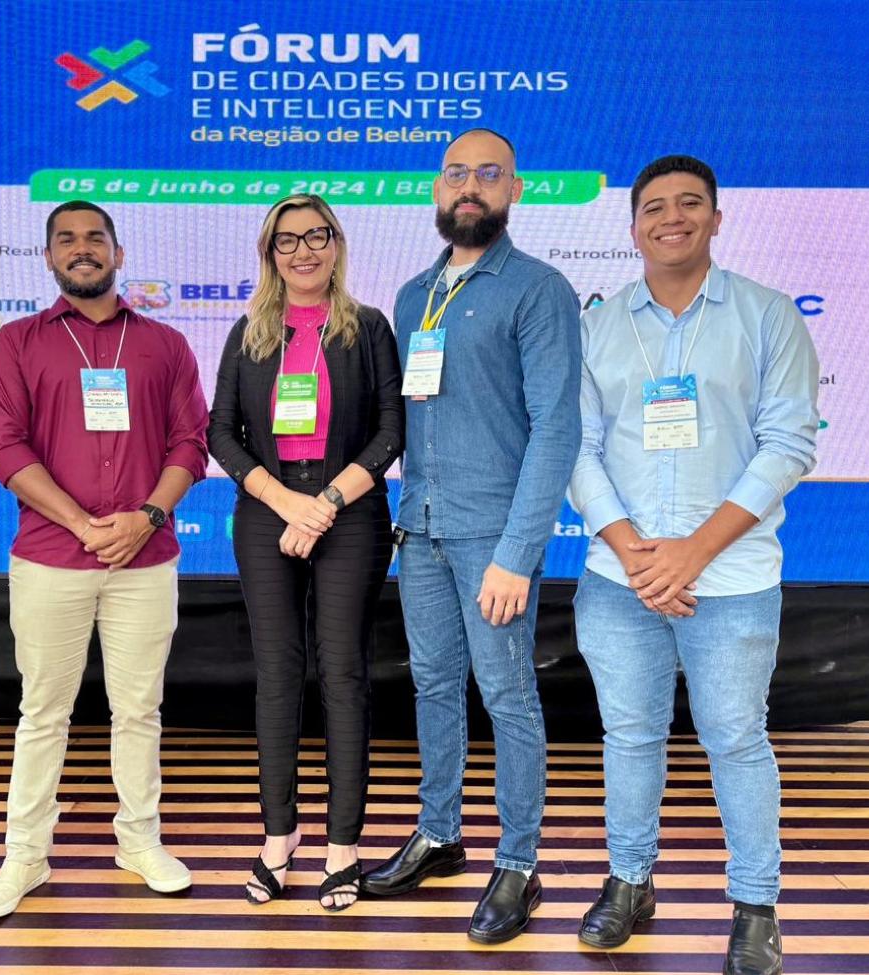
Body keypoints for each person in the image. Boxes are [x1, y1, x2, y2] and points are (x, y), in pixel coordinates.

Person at [568, 154, 818, 975]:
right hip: (620, 580)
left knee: (737, 740)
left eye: (689, 203)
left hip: (733, 580)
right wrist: (634, 551)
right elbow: (576, 447)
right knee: (630, 737)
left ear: (716, 218)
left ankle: (755, 905)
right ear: (632, 226)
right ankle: (629, 881)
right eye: (654, 207)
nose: (671, 217)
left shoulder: (767, 315)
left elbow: (788, 444)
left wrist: (692, 553)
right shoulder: (600, 325)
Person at [360, 129, 582, 944]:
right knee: (432, 685)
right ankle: (439, 831)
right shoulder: (414, 294)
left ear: (514, 189)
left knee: (508, 694)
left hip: (494, 537)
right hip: (419, 527)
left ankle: (519, 861)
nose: (470, 186)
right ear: (436, 187)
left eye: (489, 174)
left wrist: (518, 554)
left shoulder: (538, 288)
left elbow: (557, 428)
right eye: (456, 172)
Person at [0, 201, 209, 918]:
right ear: (47, 258)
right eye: (66, 240)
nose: (82, 249)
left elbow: (191, 443)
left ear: (118, 253)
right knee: (43, 711)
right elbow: (0, 445)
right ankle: (25, 856)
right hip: (50, 557)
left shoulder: (165, 343)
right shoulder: (17, 342)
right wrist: (80, 523)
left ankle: (139, 841)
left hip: (146, 557)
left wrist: (146, 517)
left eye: (95, 238)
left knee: (139, 709)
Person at [207, 194, 403, 911]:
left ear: (336, 243)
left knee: (344, 673)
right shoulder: (249, 332)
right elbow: (220, 433)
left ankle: (342, 844)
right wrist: (287, 502)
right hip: (268, 509)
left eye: (316, 236)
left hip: (349, 507)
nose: (303, 251)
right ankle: (278, 835)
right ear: (270, 253)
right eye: (287, 240)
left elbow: (391, 430)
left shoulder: (368, 327)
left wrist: (324, 504)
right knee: (277, 675)